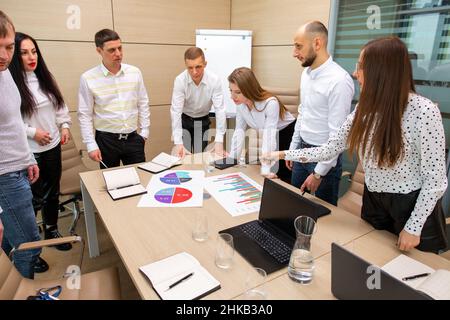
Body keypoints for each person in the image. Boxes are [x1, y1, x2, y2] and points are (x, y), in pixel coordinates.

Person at [264, 37, 448, 253]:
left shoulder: (424, 112)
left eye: (361, 66)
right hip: (374, 201)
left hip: (411, 205)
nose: (355, 73)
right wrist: (282, 154)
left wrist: (414, 227)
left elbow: (435, 179)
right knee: (372, 259)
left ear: (381, 70)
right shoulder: (365, 109)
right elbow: (329, 149)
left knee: (415, 273)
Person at [9, 32, 72, 251]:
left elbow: (60, 106)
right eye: (24, 53)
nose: (30, 57)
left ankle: (52, 230)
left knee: (52, 192)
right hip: (29, 150)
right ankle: (32, 243)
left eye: (34, 51)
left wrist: (64, 125)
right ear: (15, 56)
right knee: (33, 198)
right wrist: (33, 132)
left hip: (52, 145)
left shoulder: (45, 77)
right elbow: (10, 122)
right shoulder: (11, 84)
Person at [0, 10, 47, 278]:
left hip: (16, 169)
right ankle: (24, 292)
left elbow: (13, 123)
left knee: (10, 243)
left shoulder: (5, 72)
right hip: (4, 176)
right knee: (29, 246)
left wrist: (28, 157)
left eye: (9, 47)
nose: (5, 55)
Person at [287, 21, 354, 205]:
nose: (294, 53)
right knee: (294, 205)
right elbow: (303, 112)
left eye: (298, 46)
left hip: (325, 160)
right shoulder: (306, 74)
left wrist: (319, 173)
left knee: (323, 217)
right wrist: (293, 148)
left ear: (317, 43)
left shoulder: (339, 81)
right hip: (302, 150)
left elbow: (338, 137)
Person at [78, 29, 150, 169]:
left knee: (140, 178)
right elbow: (84, 114)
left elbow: (143, 103)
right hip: (106, 140)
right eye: (112, 50)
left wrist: (144, 132)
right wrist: (90, 144)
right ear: (99, 51)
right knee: (112, 183)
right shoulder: (88, 78)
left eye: (120, 48)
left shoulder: (134, 72)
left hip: (133, 138)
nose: (118, 53)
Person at [227, 67, 296, 182]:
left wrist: (265, 170)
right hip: (272, 136)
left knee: (283, 180)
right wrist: (232, 159)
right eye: (231, 91)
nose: (232, 97)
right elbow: (239, 131)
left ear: (249, 89)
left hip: (287, 135)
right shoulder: (240, 104)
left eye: (237, 92)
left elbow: (269, 138)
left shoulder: (270, 103)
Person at [170, 47, 226, 158]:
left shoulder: (214, 80)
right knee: (182, 158)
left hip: (202, 121)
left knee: (200, 159)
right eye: (190, 68)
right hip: (184, 120)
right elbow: (176, 111)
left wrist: (219, 140)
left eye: (198, 67)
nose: (194, 72)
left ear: (205, 64)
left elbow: (220, 110)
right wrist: (178, 142)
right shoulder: (180, 80)